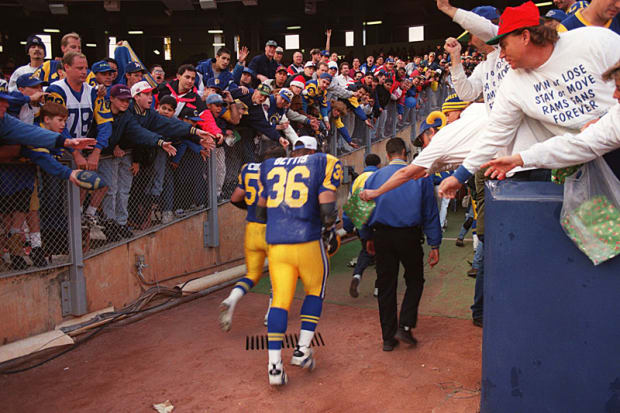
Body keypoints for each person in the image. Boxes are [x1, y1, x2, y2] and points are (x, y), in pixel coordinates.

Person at [439, 1, 620, 198]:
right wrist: (460, 176)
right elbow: (496, 133)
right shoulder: (513, 84)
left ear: (525, 36)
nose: (501, 54)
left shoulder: (593, 41)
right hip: (581, 158)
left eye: (504, 45)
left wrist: (607, 119)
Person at [256, 135, 342, 386]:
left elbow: (261, 211)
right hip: (307, 240)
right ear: (314, 150)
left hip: (277, 244)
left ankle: (274, 367)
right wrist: (331, 230)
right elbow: (327, 211)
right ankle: (302, 350)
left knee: (280, 301)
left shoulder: (271, 165)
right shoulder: (323, 162)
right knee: (315, 291)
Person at [363, 138, 441, 351]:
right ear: (405, 153)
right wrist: (435, 244)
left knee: (386, 284)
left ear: (387, 155)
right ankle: (405, 325)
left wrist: (367, 236)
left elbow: (362, 210)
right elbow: (430, 212)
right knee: (415, 280)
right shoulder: (420, 176)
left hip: (381, 235)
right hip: (409, 235)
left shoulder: (373, 178)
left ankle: (388, 338)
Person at [483, 59, 620, 177]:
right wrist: (520, 159)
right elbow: (577, 145)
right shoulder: (616, 117)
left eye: (619, 88)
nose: (614, 95)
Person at [218, 146, 287, 331]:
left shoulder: (248, 168)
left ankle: (232, 298)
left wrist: (252, 209)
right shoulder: (282, 172)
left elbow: (235, 198)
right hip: (273, 230)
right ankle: (270, 314)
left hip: (252, 229)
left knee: (251, 275)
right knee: (278, 275)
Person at [348, 153, 381, 298]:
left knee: (365, 250)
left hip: (361, 219)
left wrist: (350, 224)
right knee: (383, 254)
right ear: (379, 164)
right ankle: (378, 288)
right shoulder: (381, 176)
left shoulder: (358, 179)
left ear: (365, 164)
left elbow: (351, 201)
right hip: (377, 218)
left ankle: (357, 276)